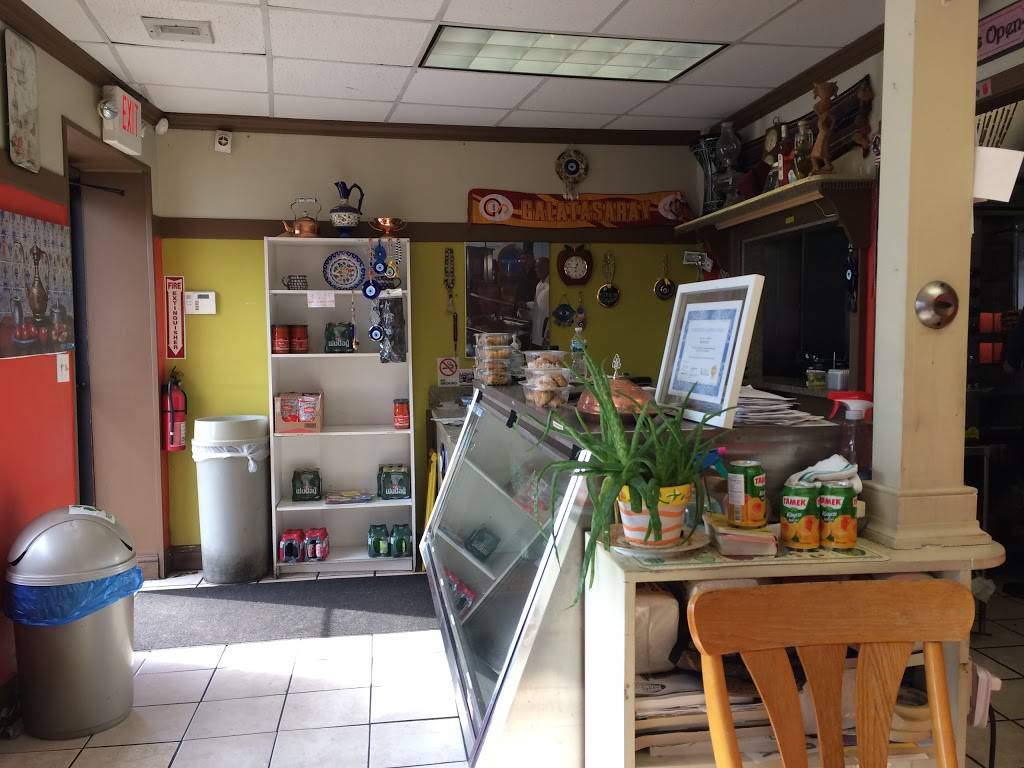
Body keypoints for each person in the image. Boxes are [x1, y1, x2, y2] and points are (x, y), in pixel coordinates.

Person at [531, 256, 549, 347]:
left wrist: (548, 333)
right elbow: (537, 306)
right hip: (536, 333)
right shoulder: (539, 284)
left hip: (546, 335)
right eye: (536, 267)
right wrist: (526, 305)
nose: (537, 269)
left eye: (541, 266)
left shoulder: (552, 285)